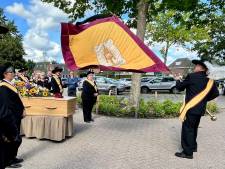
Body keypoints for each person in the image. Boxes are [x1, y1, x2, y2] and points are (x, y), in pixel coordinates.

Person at [175, 60, 219, 159]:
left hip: (191, 108)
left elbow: (179, 87)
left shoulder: (192, 76)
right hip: (200, 109)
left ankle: (187, 153)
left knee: (187, 130)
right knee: (194, 129)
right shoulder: (210, 80)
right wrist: (203, 100)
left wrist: (177, 79)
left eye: (196, 65)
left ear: (200, 67)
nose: (195, 67)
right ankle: (193, 147)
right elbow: (216, 93)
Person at [0, 63, 25, 168]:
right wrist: (10, 120)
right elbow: (6, 106)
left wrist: (22, 110)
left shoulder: (9, 84)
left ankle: (13, 156)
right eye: (12, 72)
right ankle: (7, 161)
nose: (14, 74)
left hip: (16, 116)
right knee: (10, 139)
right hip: (10, 118)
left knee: (15, 138)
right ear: (5, 74)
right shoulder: (3, 87)